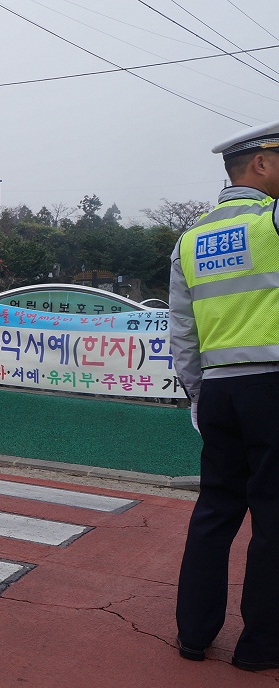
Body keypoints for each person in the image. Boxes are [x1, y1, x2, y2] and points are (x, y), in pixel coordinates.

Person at [171, 119, 279, 671]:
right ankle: (261, 647)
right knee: (273, 518)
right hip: (272, 388)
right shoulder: (273, 221)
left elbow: (181, 331)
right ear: (260, 164)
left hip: (217, 391)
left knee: (215, 511)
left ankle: (193, 634)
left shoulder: (191, 239)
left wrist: (199, 395)